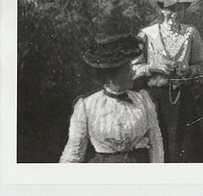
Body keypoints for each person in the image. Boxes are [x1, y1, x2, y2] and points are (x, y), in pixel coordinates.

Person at [60, 33, 164, 163]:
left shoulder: (143, 100)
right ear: (111, 76)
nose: (133, 73)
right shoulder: (87, 106)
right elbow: (74, 153)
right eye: (127, 69)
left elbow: (156, 144)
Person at [132, 0, 203, 162]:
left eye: (180, 8)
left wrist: (187, 69)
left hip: (182, 101)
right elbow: (132, 70)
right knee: (157, 147)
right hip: (155, 99)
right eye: (171, 9)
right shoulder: (147, 34)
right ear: (162, 9)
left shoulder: (191, 33)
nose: (175, 13)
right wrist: (153, 67)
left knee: (184, 151)